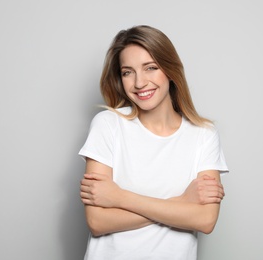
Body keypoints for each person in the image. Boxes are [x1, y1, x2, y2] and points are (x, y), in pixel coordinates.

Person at [79, 25, 229, 260]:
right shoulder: (108, 124)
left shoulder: (203, 135)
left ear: (170, 70)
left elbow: (205, 220)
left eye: (150, 68)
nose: (139, 83)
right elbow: (97, 222)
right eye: (128, 72)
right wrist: (181, 203)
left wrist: (119, 198)